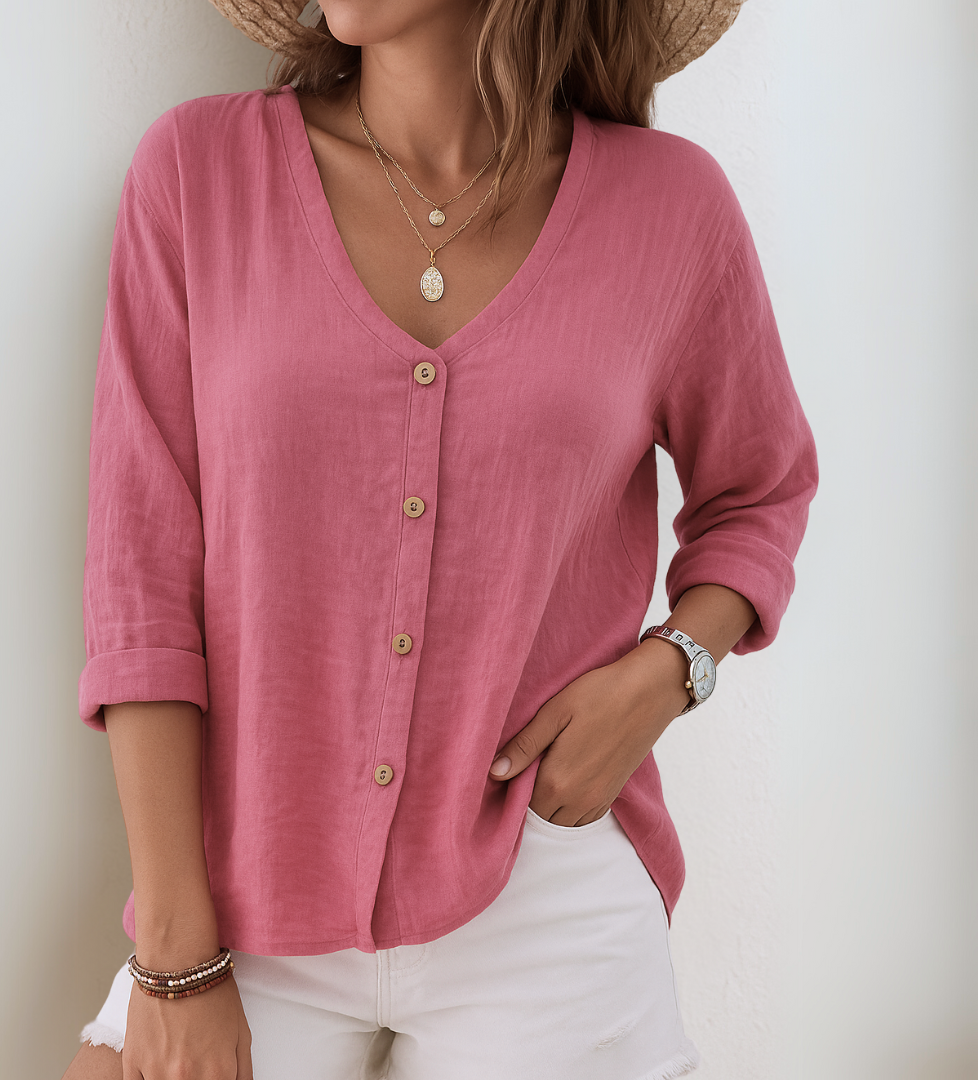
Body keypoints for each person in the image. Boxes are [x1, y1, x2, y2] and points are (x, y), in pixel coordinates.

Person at [63, 0, 817, 1077]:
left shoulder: (672, 206)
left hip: (540, 875)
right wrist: (176, 958)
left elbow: (761, 489)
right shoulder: (198, 171)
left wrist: (670, 669)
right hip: (245, 882)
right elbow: (139, 578)